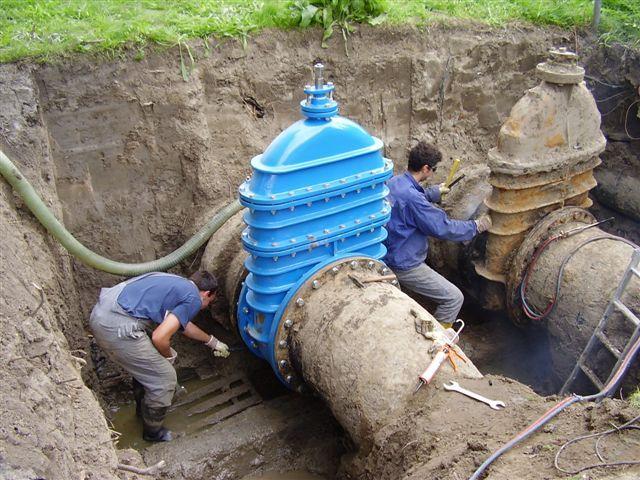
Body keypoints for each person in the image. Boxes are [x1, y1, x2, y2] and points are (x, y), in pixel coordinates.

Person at [89, 270, 230, 442]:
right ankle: (153, 433)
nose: (206, 305)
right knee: (164, 378)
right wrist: (168, 357)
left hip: (105, 311)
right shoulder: (193, 298)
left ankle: (143, 413)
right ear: (207, 294)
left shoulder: (177, 284)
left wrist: (212, 341)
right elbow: (159, 337)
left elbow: (183, 325)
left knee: (149, 369)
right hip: (117, 325)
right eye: (209, 301)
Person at [383, 142, 491, 327]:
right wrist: (476, 226)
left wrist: (434, 192)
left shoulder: (395, 182)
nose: (432, 172)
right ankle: (438, 340)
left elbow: (411, 197)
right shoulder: (414, 199)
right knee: (454, 298)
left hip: (387, 252)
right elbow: (442, 227)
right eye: (433, 169)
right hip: (404, 263)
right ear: (425, 168)